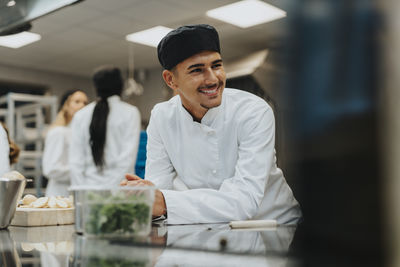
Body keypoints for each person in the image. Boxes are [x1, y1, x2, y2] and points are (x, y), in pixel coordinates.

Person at [121, 24, 301, 225]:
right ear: (171, 80)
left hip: (274, 226)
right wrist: (143, 196)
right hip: (211, 227)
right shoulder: (162, 117)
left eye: (216, 65)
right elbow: (158, 193)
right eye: (197, 70)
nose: (213, 79)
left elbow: (245, 201)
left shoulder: (253, 111)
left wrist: (163, 201)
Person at [69, 66, 141, 187]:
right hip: (118, 192)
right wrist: (111, 191)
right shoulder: (131, 113)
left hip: (87, 191)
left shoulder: (81, 115)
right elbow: (127, 160)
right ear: (121, 87)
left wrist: (83, 194)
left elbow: (75, 162)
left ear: (96, 88)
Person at [42, 89, 88, 196]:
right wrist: (83, 170)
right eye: (77, 101)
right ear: (66, 106)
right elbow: (50, 169)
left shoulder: (83, 135)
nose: (82, 106)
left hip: (78, 194)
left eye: (85, 103)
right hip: (60, 195)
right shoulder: (58, 132)